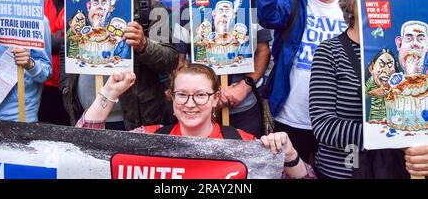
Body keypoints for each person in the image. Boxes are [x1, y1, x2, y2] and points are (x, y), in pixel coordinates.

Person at [76, 63, 315, 179]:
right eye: (182, 95)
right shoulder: (148, 138)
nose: (190, 104)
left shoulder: (244, 144)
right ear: (172, 97)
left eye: (200, 95)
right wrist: (109, 92)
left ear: (215, 99)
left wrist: (290, 155)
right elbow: (82, 148)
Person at [309, 0, 428, 179]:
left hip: (398, 171)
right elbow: (324, 126)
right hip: (345, 170)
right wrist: (395, 136)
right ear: (350, 1)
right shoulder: (329, 52)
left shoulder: (409, 53)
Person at [59, 0, 178, 131]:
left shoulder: (151, 7)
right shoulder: (78, 5)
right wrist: (66, 90)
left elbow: (170, 59)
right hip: (86, 116)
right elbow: (67, 53)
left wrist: (143, 45)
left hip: (131, 121)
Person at [257, 0, 347, 163]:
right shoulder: (294, 1)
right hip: (291, 117)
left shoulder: (350, 9)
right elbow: (267, 15)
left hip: (336, 121)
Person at [193, 0, 272, 138]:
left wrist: (244, 87)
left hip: (245, 109)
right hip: (201, 111)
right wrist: (207, 95)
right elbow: (181, 62)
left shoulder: (251, 1)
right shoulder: (187, 7)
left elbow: (263, 51)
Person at [40, 0, 74, 125]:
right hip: (44, 83)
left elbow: (70, 39)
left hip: (68, 85)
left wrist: (44, 40)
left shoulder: (80, 2)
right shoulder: (44, 3)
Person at [364, 49, 397, 122]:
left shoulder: (395, 82)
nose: (386, 70)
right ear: (371, 68)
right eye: (382, 64)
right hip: (374, 121)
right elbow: (362, 96)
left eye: (390, 65)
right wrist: (373, 93)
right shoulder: (371, 81)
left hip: (392, 121)